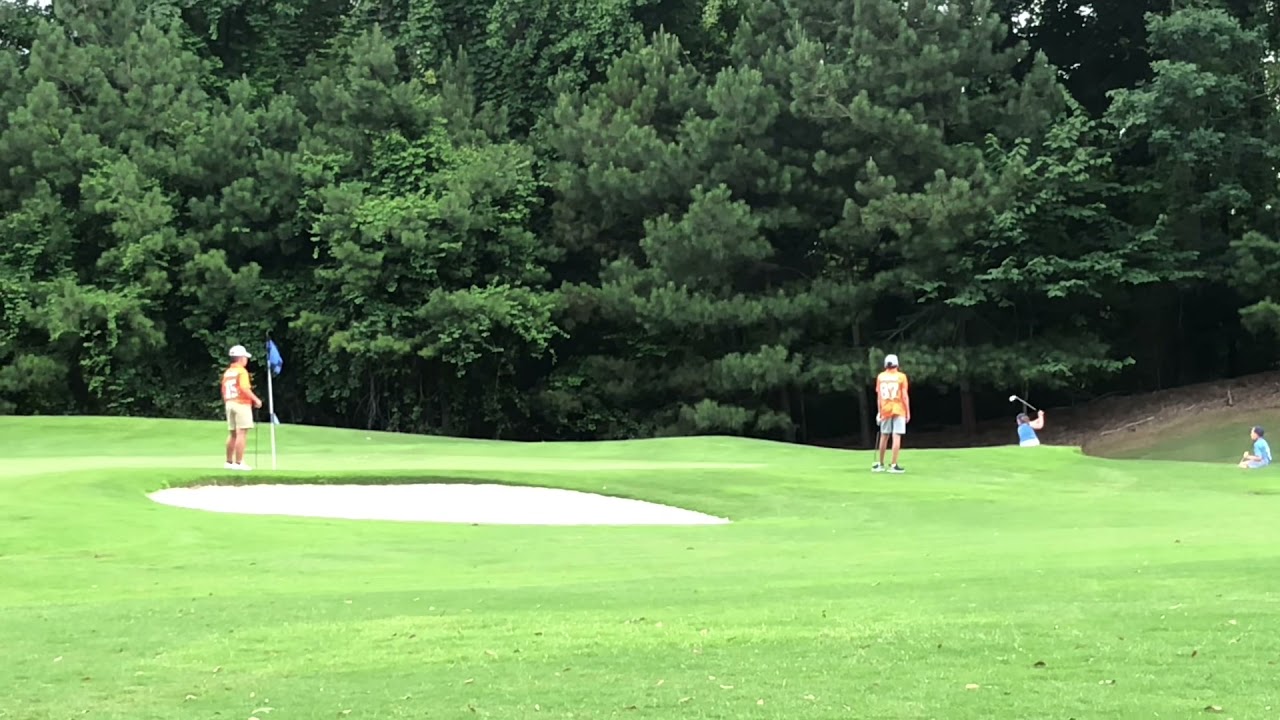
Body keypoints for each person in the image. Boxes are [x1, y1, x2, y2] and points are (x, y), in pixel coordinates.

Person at [221, 344, 263, 470]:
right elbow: (244, 388)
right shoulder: (241, 371)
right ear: (240, 358)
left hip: (229, 402)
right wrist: (256, 399)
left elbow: (223, 389)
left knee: (232, 433)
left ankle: (229, 462)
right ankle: (239, 463)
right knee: (241, 433)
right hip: (241, 403)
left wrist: (228, 401)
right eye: (245, 357)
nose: (246, 360)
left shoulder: (228, 372)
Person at [872, 353, 910, 473]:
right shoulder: (901, 377)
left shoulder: (880, 377)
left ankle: (880, 464)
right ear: (896, 364)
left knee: (884, 436)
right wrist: (908, 411)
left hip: (885, 409)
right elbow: (904, 396)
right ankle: (893, 465)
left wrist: (879, 412)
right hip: (898, 408)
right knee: (896, 435)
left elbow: (879, 396)